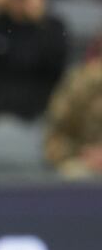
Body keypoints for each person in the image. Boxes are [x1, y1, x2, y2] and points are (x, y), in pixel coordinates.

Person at [44, 30, 102, 177]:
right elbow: (54, 138)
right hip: (82, 164)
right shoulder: (78, 83)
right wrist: (83, 153)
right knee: (73, 173)